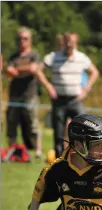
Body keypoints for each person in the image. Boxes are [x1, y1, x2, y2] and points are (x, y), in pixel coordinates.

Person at [35, 32, 99, 158]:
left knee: (83, 130)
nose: (69, 44)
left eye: (72, 42)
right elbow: (38, 70)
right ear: (64, 42)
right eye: (67, 41)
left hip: (75, 100)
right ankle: (60, 164)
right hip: (59, 100)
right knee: (59, 135)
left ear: (76, 43)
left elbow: (94, 72)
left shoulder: (81, 58)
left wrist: (86, 89)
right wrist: (48, 86)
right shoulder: (54, 57)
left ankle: (83, 159)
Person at [5, 27, 42, 158]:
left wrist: (17, 70)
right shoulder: (13, 56)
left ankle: (38, 151)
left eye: (25, 38)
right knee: (12, 123)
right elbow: (9, 71)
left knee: (33, 124)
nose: (22, 41)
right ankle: (12, 151)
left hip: (30, 95)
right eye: (20, 39)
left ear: (30, 40)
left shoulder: (34, 55)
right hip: (14, 95)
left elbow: (33, 69)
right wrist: (23, 70)